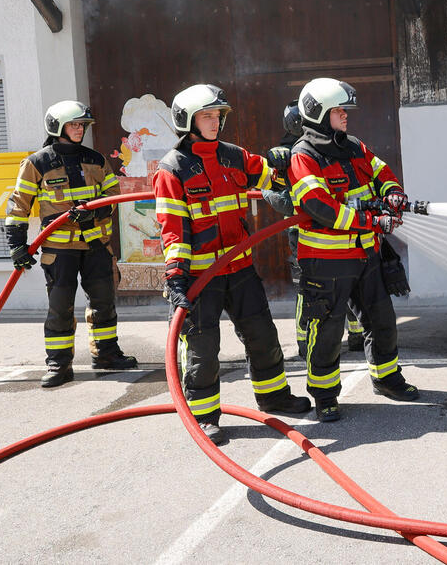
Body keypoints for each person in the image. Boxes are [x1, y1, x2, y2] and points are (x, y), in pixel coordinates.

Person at [152, 84, 310, 445]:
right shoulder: (171, 169)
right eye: (207, 116)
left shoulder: (234, 156)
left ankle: (273, 396)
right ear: (188, 120)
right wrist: (176, 277)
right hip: (199, 277)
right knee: (203, 349)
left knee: (263, 336)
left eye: (217, 115)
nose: (214, 122)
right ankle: (205, 416)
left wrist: (284, 162)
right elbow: (172, 230)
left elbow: (271, 175)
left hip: (239, 269)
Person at [282, 77, 418, 423]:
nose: (346, 116)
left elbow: (380, 170)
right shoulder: (304, 155)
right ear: (319, 112)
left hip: (365, 256)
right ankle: (325, 396)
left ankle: (387, 379)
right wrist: (373, 222)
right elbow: (320, 206)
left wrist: (392, 193)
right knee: (327, 332)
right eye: (339, 110)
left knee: (382, 321)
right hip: (327, 262)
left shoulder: (353, 146)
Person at [4, 100, 137, 388]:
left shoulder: (97, 159)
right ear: (57, 126)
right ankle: (59, 364)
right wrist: (17, 245)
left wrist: (96, 210)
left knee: (104, 302)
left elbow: (113, 195)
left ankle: (106, 354)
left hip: (97, 246)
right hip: (60, 250)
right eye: (74, 124)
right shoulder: (36, 163)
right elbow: (18, 206)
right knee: (60, 306)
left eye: (82, 125)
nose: (80, 129)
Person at [261, 103, 365, 357]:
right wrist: (304, 206)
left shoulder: (330, 146)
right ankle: (305, 339)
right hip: (305, 234)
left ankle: (356, 333)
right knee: (308, 287)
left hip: (341, 226)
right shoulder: (286, 154)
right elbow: (274, 193)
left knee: (349, 281)